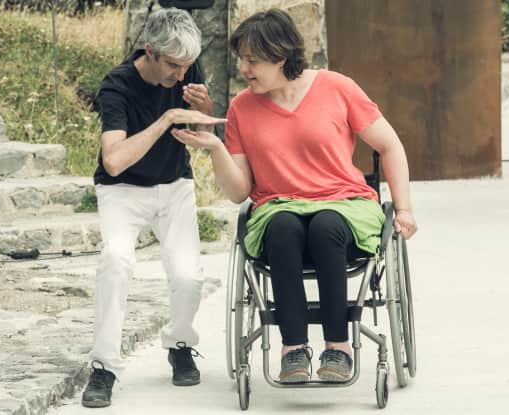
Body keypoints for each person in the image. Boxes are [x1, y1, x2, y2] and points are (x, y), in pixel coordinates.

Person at [171, 8, 418, 384]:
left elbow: (390, 145)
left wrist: (404, 208)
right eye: (241, 60)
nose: (244, 69)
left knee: (326, 226)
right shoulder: (242, 109)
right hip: (278, 209)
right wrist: (216, 149)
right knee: (284, 227)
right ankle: (294, 349)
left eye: (252, 61)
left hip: (344, 205)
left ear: (281, 56)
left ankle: (338, 346)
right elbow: (240, 191)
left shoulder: (338, 88)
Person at [81, 7, 226, 408]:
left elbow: (198, 129)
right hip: (122, 191)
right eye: (174, 66)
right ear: (150, 50)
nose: (181, 75)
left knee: (188, 276)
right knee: (115, 260)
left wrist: (204, 107)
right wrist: (164, 120)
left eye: (188, 67)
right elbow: (114, 160)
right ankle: (103, 368)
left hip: (174, 186)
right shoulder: (117, 85)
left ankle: (180, 344)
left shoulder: (186, 70)